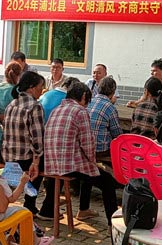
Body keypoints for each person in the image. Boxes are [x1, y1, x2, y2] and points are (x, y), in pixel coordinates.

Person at [45, 82, 119, 223]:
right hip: (69, 166)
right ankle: (113, 222)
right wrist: (93, 162)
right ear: (84, 96)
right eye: (87, 102)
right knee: (108, 181)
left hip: (52, 162)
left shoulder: (57, 109)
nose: (86, 106)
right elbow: (87, 144)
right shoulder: (80, 111)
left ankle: (84, 210)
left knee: (90, 170)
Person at [2, 71, 55, 218]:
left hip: (8, 156)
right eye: (40, 87)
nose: (42, 90)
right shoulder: (35, 106)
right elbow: (38, 139)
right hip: (25, 159)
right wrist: (36, 162)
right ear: (31, 88)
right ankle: (40, 206)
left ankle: (31, 204)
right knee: (54, 166)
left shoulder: (12, 104)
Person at [86, 76, 121, 158]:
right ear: (113, 92)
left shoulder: (88, 102)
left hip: (84, 147)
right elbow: (117, 134)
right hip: (100, 150)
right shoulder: (110, 107)